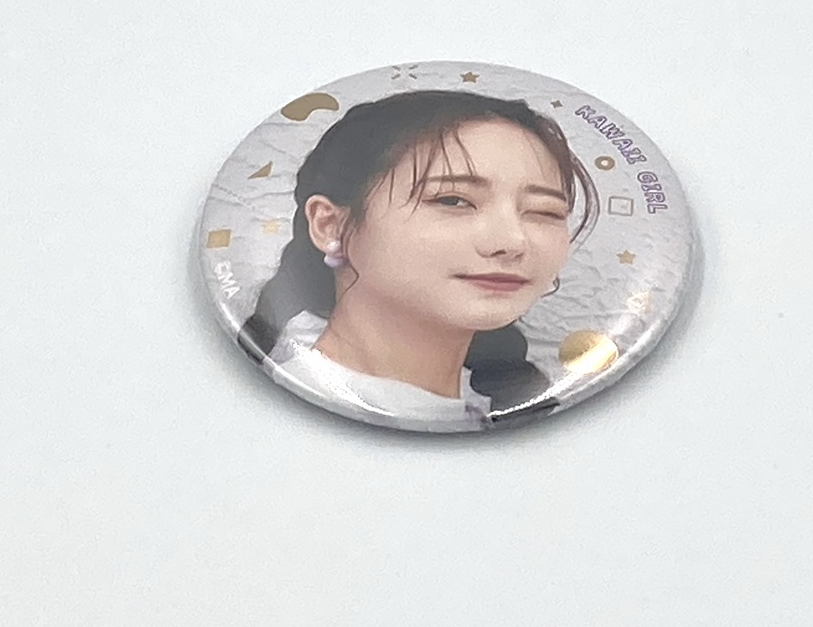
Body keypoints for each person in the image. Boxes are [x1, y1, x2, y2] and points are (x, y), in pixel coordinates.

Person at [238, 90, 599, 430]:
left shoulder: (505, 415)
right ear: (330, 225)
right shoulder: (272, 414)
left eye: (544, 211)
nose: (512, 242)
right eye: (453, 201)